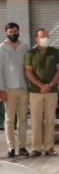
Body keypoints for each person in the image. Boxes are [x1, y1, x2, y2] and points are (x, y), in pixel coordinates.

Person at [24, 28, 59, 157]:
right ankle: (36, 148)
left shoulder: (55, 52)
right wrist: (41, 85)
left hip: (51, 92)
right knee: (36, 121)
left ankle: (49, 148)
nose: (45, 39)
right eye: (42, 36)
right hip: (35, 92)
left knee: (50, 120)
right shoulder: (30, 53)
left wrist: (50, 85)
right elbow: (28, 72)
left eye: (47, 36)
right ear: (36, 39)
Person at [0, 22, 30, 157]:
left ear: (19, 32)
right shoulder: (1, 48)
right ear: (6, 33)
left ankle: (22, 147)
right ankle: (11, 147)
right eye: (11, 32)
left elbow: (28, 68)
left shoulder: (25, 47)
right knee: (9, 119)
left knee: (23, 119)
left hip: (23, 88)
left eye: (15, 31)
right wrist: (1, 89)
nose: (13, 34)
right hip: (8, 89)